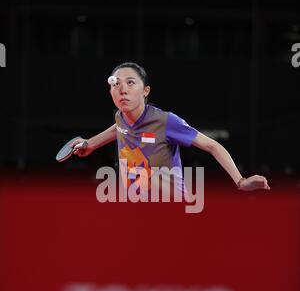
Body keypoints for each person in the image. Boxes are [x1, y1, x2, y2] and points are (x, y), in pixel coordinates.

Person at [72, 61, 270, 195]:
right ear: (110, 91)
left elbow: (212, 146)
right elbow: (118, 128)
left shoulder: (166, 122)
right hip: (135, 205)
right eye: (116, 84)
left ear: (145, 91)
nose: (122, 89)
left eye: (131, 82)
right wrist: (90, 144)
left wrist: (241, 181)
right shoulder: (121, 116)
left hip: (172, 207)